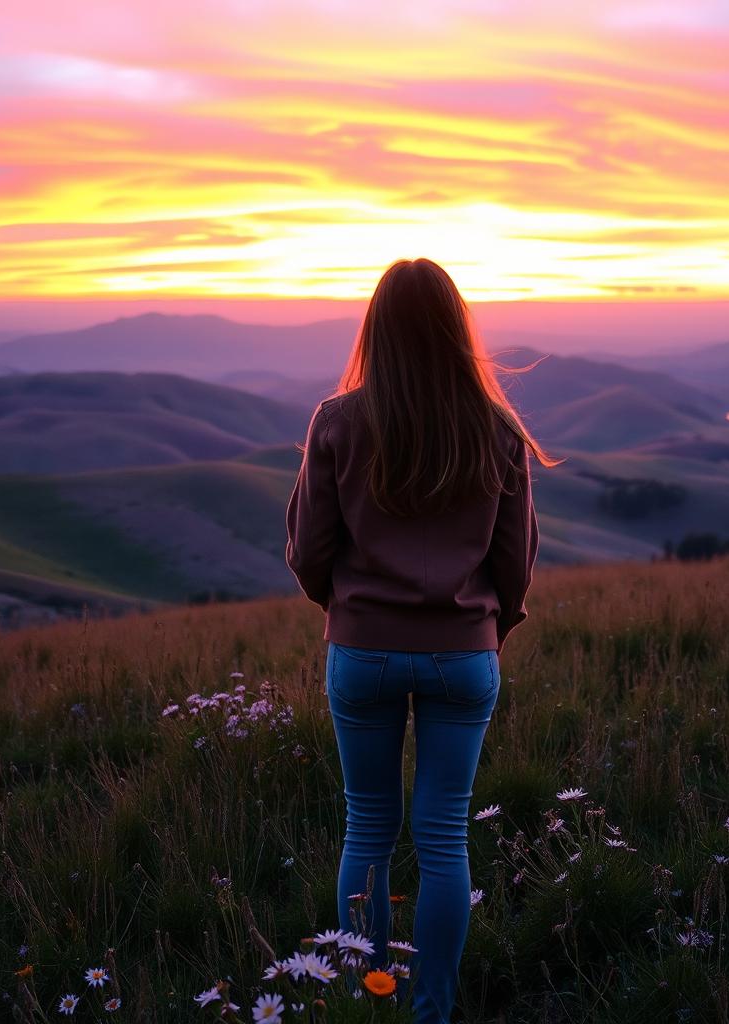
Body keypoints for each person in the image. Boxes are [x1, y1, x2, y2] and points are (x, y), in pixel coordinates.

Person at [285, 257, 562, 1023]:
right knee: (444, 840)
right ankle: (430, 1012)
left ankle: (366, 1000)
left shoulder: (336, 422)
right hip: (464, 656)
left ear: (377, 329)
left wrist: (347, 613)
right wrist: (486, 632)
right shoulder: (498, 430)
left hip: (362, 651)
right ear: (454, 329)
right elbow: (516, 564)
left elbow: (308, 552)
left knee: (366, 827)